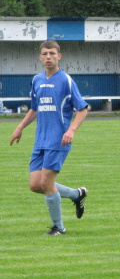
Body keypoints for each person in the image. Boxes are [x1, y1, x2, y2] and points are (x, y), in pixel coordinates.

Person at [9, 40, 89, 236]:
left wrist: (71, 131)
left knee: (46, 183)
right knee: (35, 185)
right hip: (40, 140)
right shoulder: (37, 80)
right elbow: (35, 108)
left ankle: (58, 227)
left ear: (59, 56)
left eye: (52, 53)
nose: (48, 57)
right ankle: (77, 195)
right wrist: (20, 127)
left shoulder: (66, 80)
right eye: (45, 54)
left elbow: (83, 109)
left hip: (58, 140)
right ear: (40, 57)